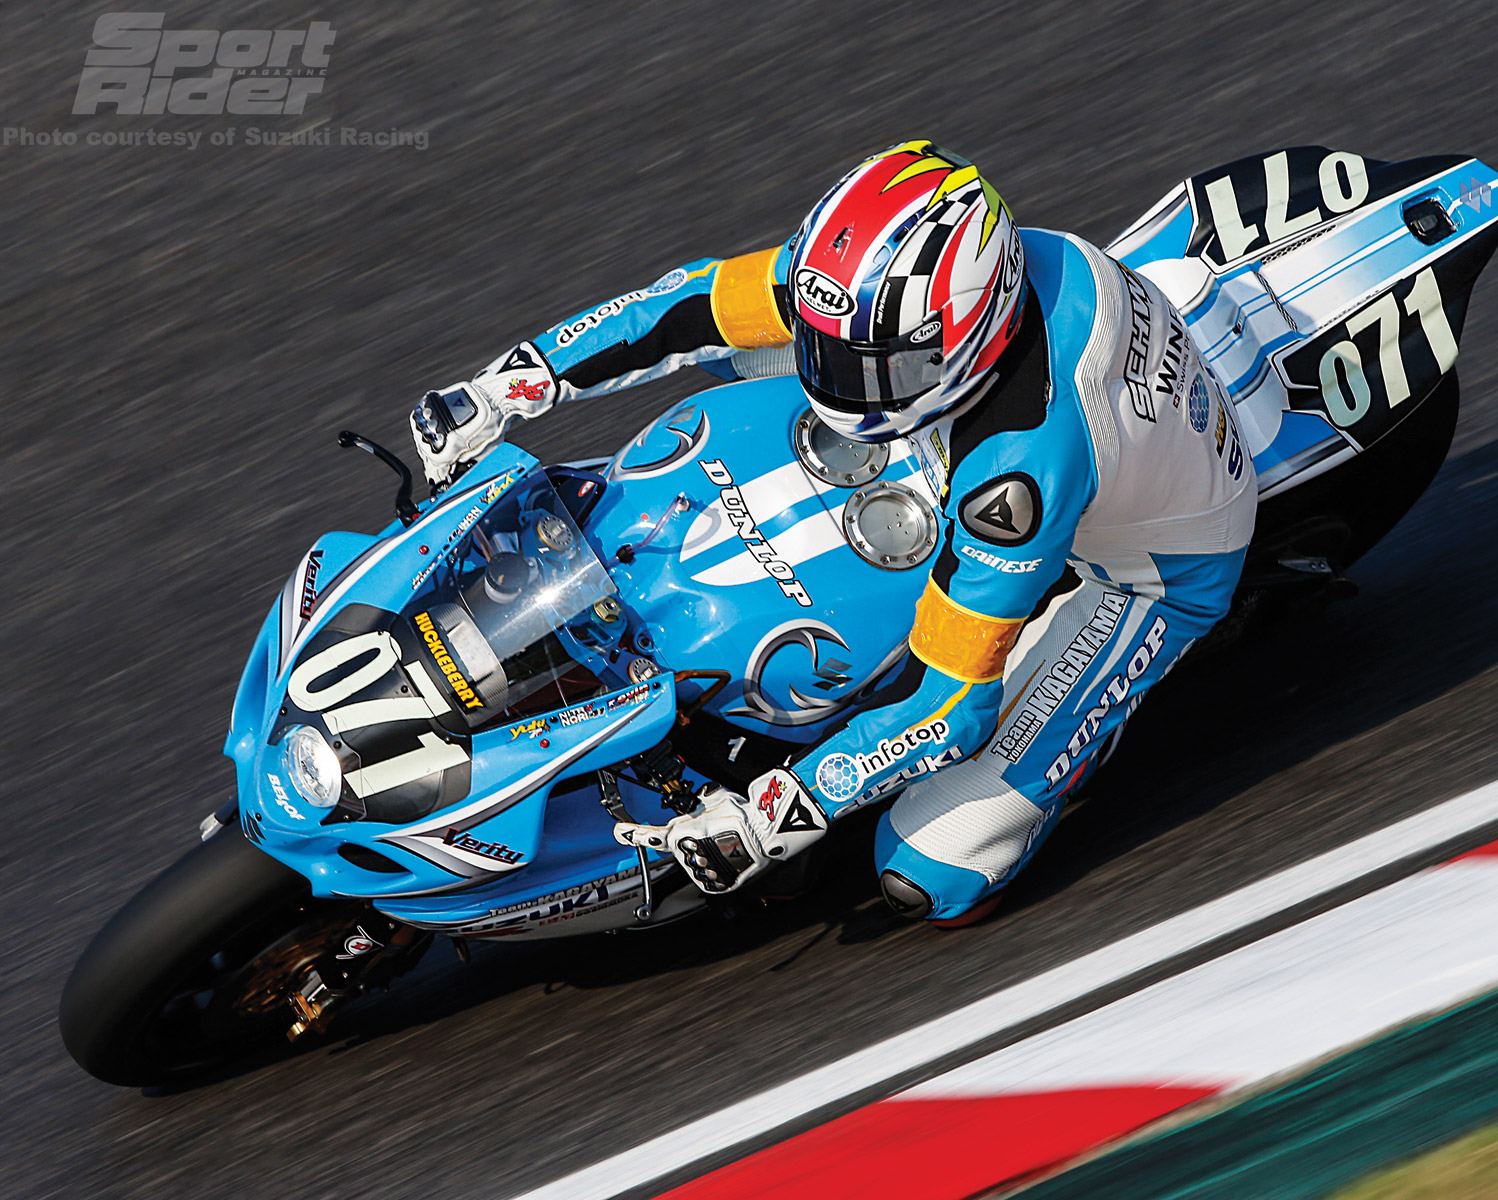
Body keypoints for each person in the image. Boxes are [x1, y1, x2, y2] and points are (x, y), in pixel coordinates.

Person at [410, 141, 1255, 924]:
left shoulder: (1015, 475)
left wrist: (779, 812)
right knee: (739, 340)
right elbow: (690, 306)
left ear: (976, 334)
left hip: (1149, 571)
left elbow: (949, 708)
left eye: (870, 369)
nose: (835, 380)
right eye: (827, 350)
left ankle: (1070, 746)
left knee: (932, 865)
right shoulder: (860, 297)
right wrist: (514, 383)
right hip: (989, 422)